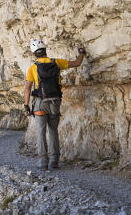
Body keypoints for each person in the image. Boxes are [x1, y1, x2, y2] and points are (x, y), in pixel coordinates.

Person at [23, 39, 85, 171]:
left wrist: (26, 105)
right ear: (45, 50)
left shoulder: (33, 68)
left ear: (35, 54)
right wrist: (81, 52)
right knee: (53, 131)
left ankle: (42, 162)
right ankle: (54, 161)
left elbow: (27, 88)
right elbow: (77, 63)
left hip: (40, 102)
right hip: (55, 101)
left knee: (40, 132)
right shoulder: (57, 62)